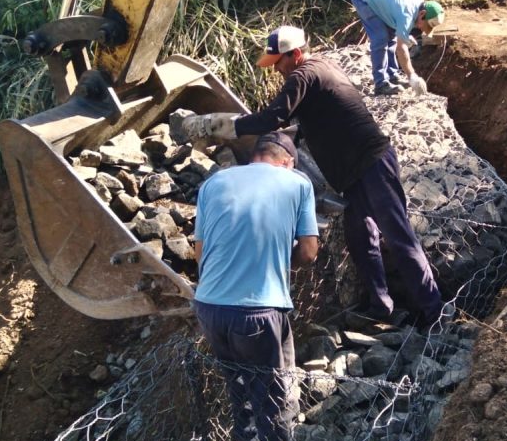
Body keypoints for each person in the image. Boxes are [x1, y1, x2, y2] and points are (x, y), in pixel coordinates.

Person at [181, 26, 447, 328]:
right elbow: (302, 124)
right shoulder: (317, 71)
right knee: (360, 238)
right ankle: (381, 306)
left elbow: (273, 118)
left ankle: (435, 312)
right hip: (355, 174)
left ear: (295, 54)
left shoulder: (304, 74)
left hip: (372, 164)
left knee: (399, 238)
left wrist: (219, 125)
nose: (276, 70)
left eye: (278, 62)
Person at [192, 131, 319, 441]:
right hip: (259, 310)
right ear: (287, 161)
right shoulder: (297, 183)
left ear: (256, 156)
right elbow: (309, 253)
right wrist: (279, 259)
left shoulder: (214, 182)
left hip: (210, 307)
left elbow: (201, 254)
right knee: (272, 394)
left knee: (238, 378)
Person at [349, 0, 445, 96]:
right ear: (422, 14)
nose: (422, 29)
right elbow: (401, 49)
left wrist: (404, 35)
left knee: (392, 36)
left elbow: (396, 12)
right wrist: (412, 76)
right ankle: (380, 84)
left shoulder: (419, 2)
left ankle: (392, 75)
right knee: (381, 37)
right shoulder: (407, 14)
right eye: (425, 25)